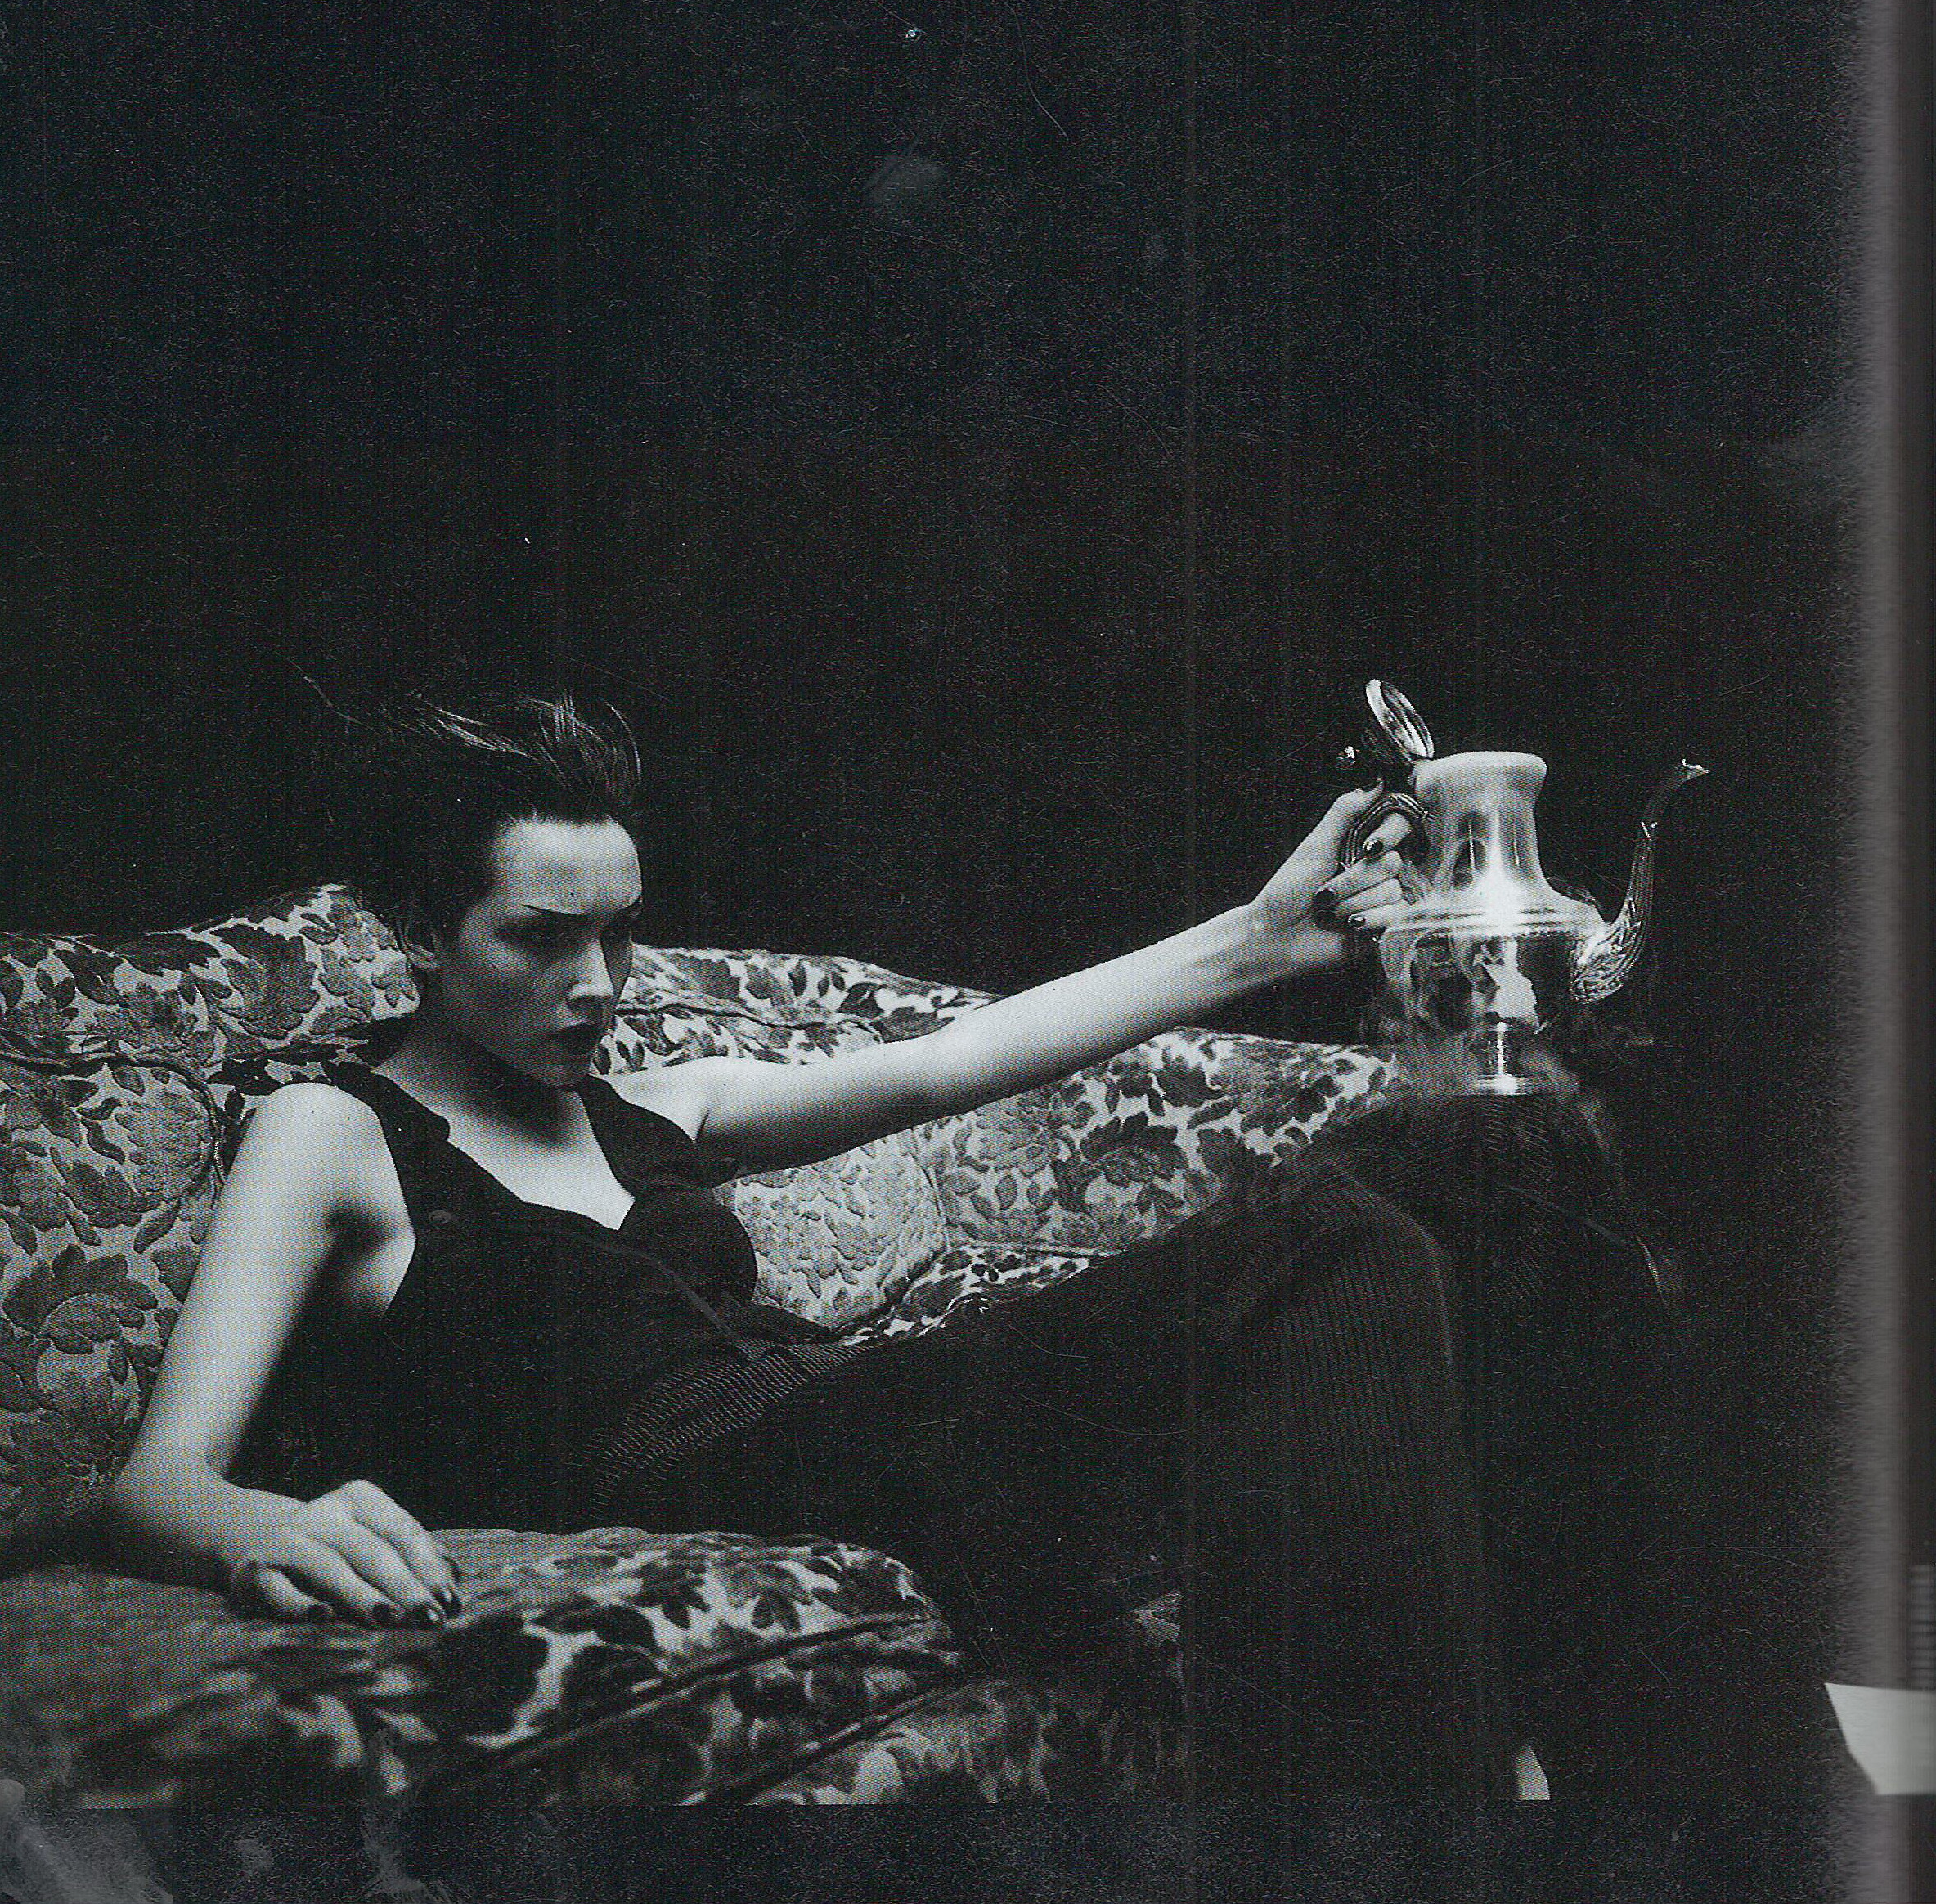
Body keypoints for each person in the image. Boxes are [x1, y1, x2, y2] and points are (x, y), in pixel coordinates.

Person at [100, 696, 1512, 1812]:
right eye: (540, 937)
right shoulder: (333, 1130)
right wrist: (261, 1525)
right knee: (1322, 1242)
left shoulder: (662, 1104)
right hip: (705, 1470)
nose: (597, 986)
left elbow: (944, 1062)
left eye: (619, 934)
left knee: (1465, 1182)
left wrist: (1260, 940)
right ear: (420, 929)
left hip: (863, 1416)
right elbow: (159, 1478)